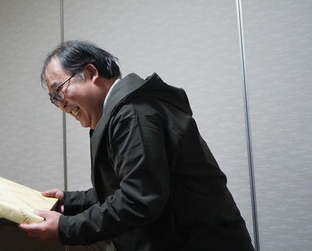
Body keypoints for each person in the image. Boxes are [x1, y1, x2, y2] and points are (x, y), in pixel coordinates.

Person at [20, 40, 254, 251]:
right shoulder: (124, 111)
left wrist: (66, 228)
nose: (61, 104)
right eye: (54, 99)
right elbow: (128, 188)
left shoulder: (133, 114)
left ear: (91, 72)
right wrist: (70, 201)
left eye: (59, 90)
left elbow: (138, 199)